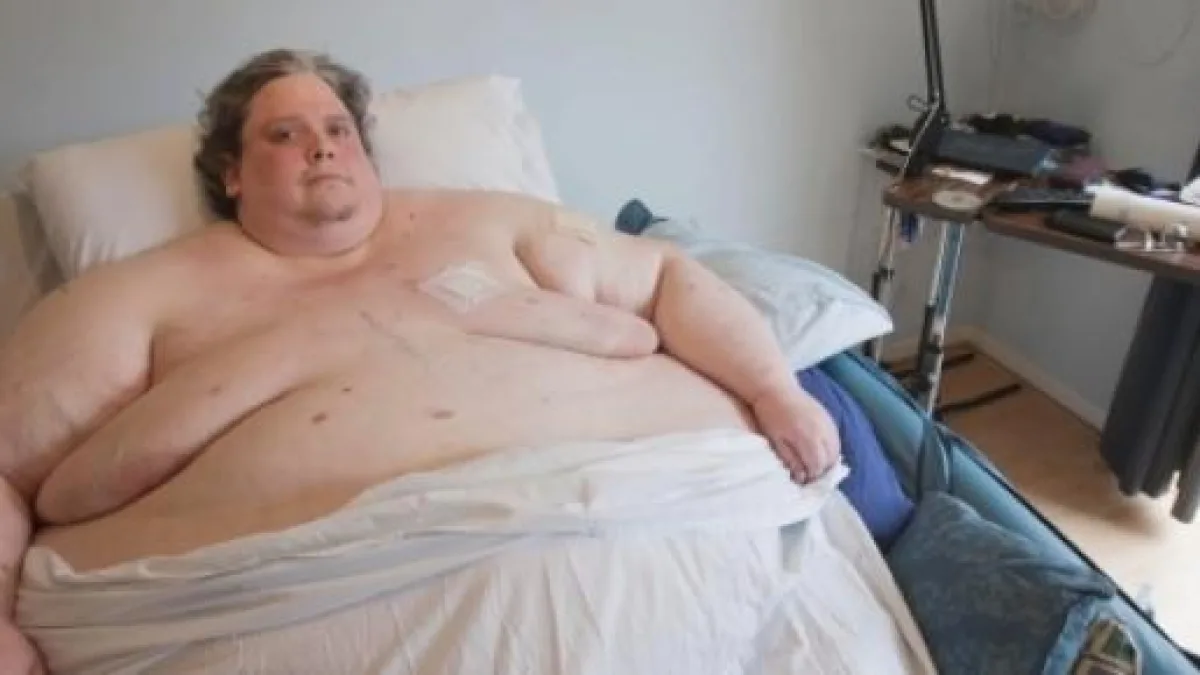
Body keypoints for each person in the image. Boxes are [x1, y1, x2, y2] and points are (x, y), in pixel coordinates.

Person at [0, 49, 839, 672]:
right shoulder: (137, 294)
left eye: (338, 129)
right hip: (300, 600)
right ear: (232, 174)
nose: (321, 147)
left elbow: (668, 279)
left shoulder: (491, 221)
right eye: (285, 135)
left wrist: (776, 391)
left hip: (665, 512)